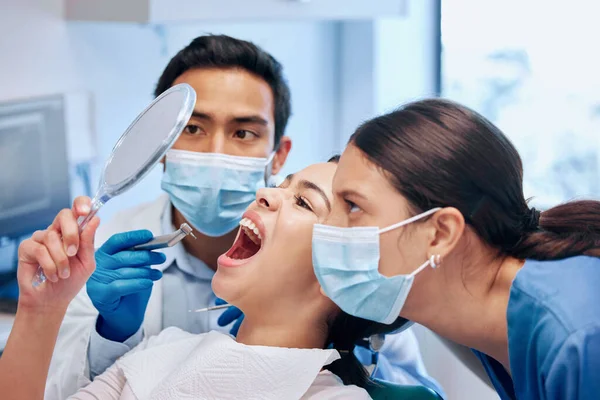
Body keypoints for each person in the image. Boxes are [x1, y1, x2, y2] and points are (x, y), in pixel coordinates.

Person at [46, 35, 440, 398]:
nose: (216, 151)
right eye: (194, 127)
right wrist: (113, 335)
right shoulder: (104, 255)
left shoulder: (348, 254)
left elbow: (410, 384)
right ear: (162, 146)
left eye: (243, 133)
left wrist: (335, 354)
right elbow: (56, 387)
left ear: (279, 153)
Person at [1, 160, 409, 399]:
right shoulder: (163, 351)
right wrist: (42, 307)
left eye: (302, 202)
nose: (265, 193)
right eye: (281, 186)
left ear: (340, 274)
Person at [312, 98, 600, 400]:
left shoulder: (578, 335)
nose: (324, 227)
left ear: (440, 233)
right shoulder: (480, 314)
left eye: (353, 206)